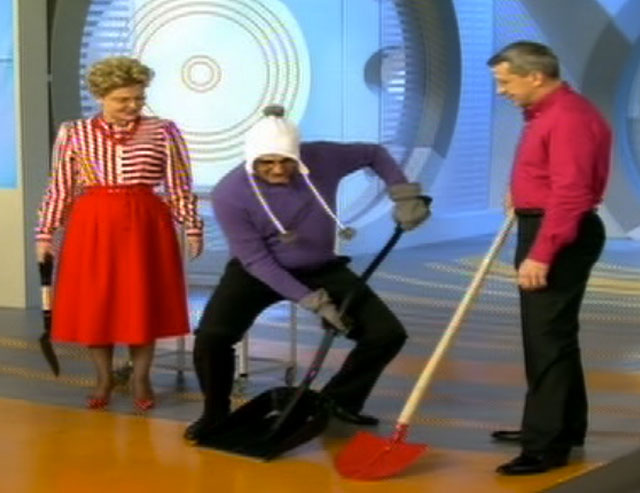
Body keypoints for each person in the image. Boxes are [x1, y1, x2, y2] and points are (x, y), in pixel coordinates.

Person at [185, 105, 430, 442]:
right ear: (251, 158)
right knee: (213, 338)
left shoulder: (322, 158)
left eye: (286, 161)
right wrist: (313, 302)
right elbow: (257, 260)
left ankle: (336, 402)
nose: (278, 169)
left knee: (386, 334)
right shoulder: (230, 193)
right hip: (256, 271)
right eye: (267, 162)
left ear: (297, 154)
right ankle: (215, 415)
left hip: (320, 266)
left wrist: (404, 195)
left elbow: (374, 153)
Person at [36, 56, 203, 411]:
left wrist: (192, 226)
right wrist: (45, 234)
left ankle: (141, 377)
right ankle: (104, 377)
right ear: (100, 96)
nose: (132, 105)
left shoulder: (164, 130)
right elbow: (60, 187)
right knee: (96, 303)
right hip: (92, 222)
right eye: (122, 99)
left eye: (139, 98)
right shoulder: (73, 132)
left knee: (141, 301)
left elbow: (179, 184)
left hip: (146, 223)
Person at [487, 41, 611, 475]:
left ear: (535, 76)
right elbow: (548, 171)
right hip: (543, 224)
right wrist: (520, 191)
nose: (501, 90)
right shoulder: (546, 113)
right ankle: (562, 426)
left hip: (558, 233)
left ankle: (545, 446)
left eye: (506, 81)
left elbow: (571, 192)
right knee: (554, 337)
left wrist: (542, 253)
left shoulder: (568, 117)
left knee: (546, 340)